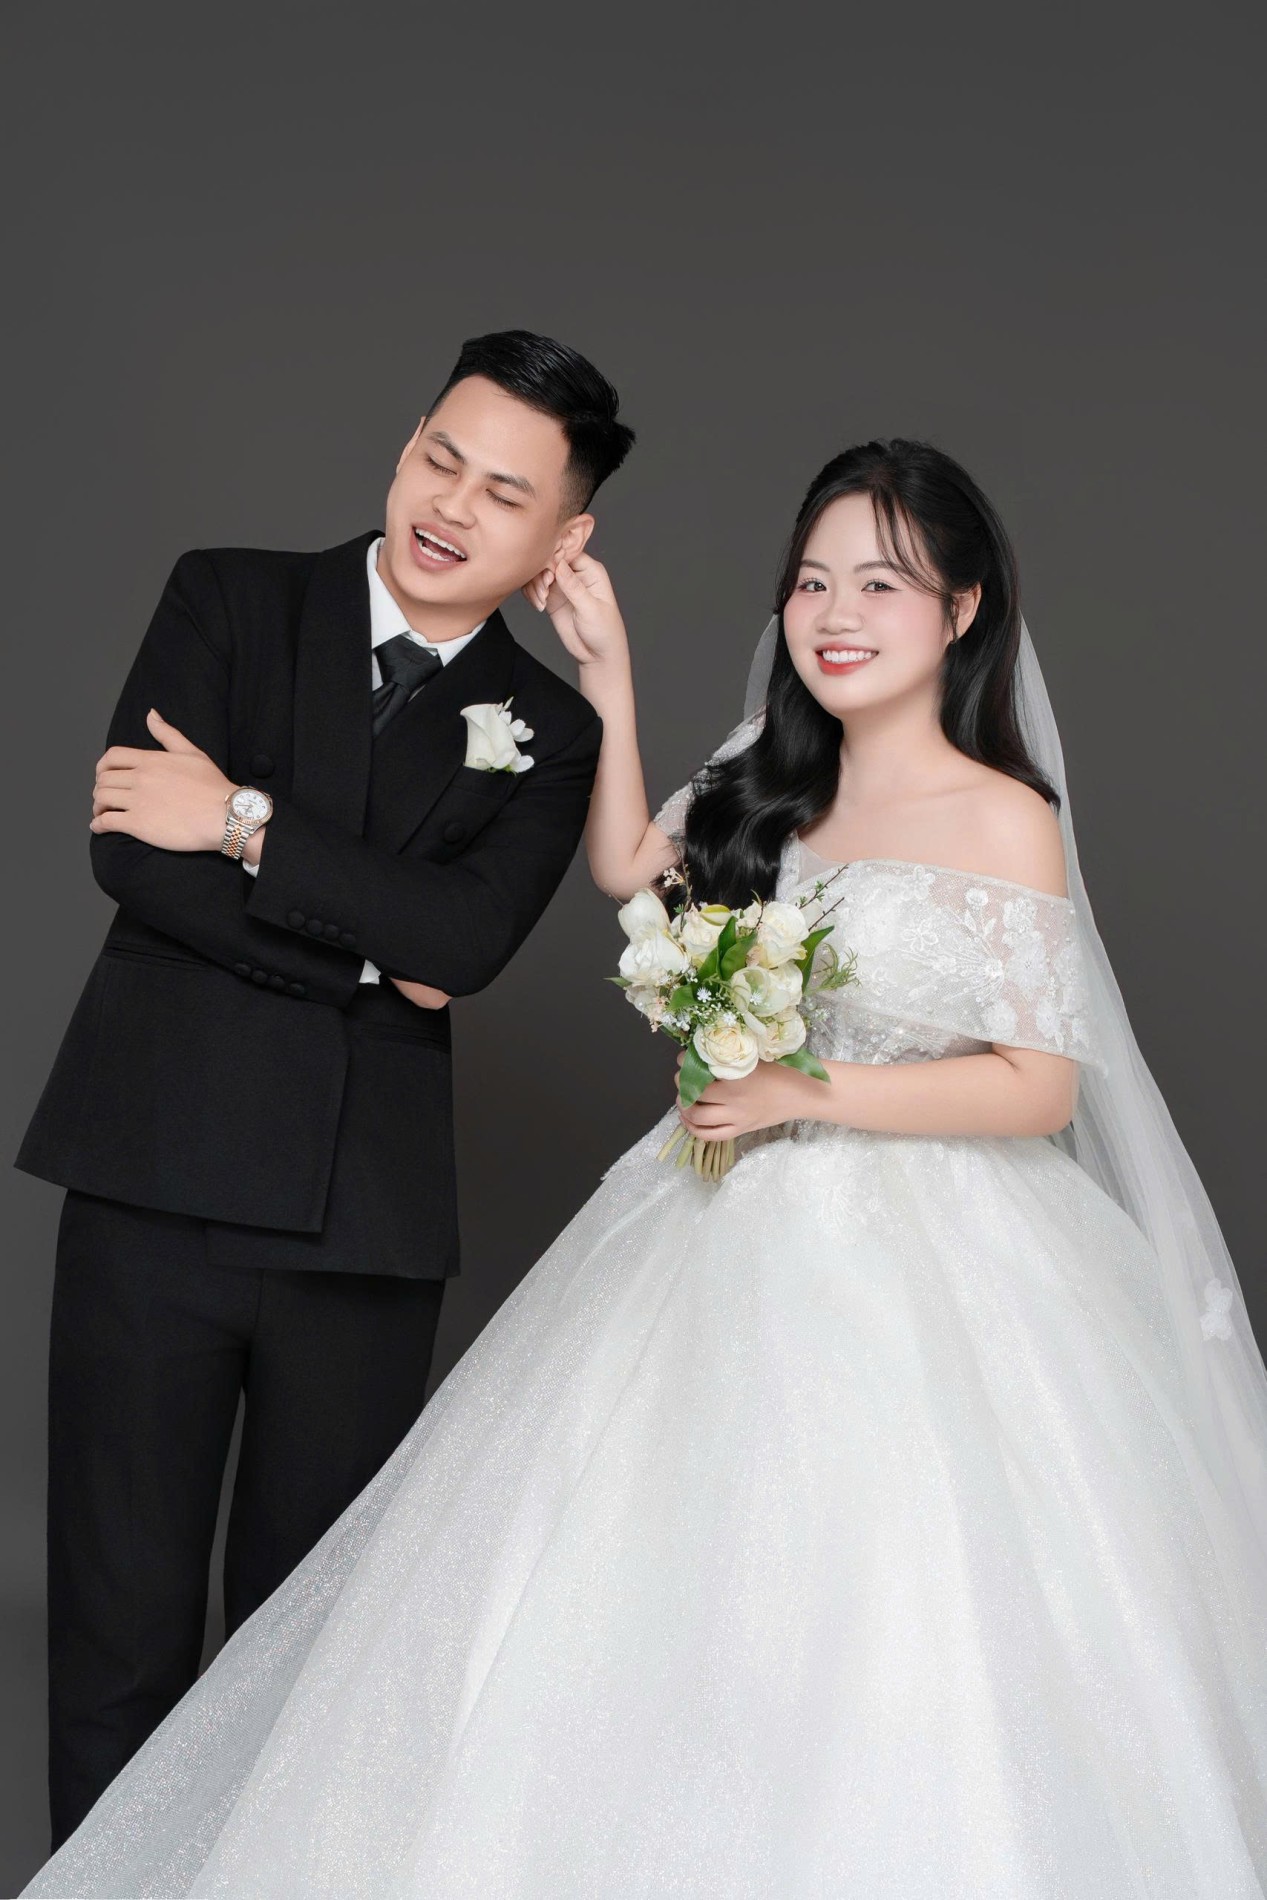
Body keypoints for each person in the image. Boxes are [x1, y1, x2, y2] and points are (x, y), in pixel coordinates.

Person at [23, 440, 1267, 1898]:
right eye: (812, 581)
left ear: (964, 610)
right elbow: (628, 865)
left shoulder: (1004, 815)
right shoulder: (764, 772)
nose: (836, 614)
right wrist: (606, 675)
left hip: (935, 1245)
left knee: (896, 1600)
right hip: (720, 1213)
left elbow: (1038, 1085)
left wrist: (804, 1088)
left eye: (881, 583)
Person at [14, 328, 634, 1849]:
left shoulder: (553, 729)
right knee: (115, 1627)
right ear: (408, 439)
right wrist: (373, 954)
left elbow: (467, 946)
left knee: (303, 1655)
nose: (450, 507)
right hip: (152, 1177)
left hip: (362, 1230)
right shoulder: (230, 597)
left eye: (504, 494)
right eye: (439, 457)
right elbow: (130, 856)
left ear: (565, 539)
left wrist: (238, 819)